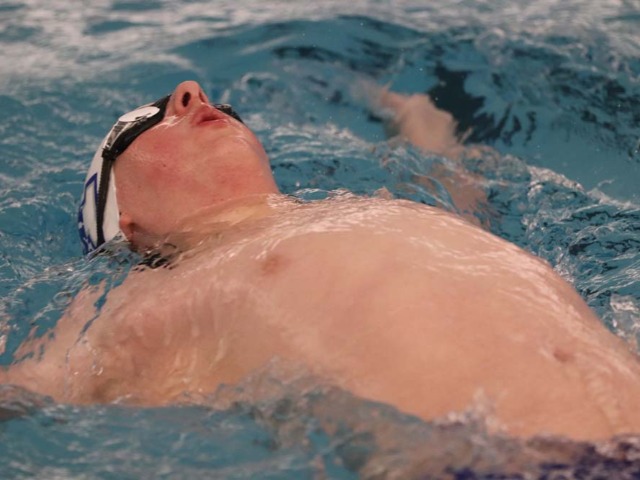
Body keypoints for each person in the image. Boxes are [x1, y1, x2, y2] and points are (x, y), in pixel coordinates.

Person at [2, 81, 640, 441]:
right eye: (146, 122)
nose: (191, 93)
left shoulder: (371, 208)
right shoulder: (137, 303)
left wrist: (418, 121)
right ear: (127, 224)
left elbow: (458, 191)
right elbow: (28, 391)